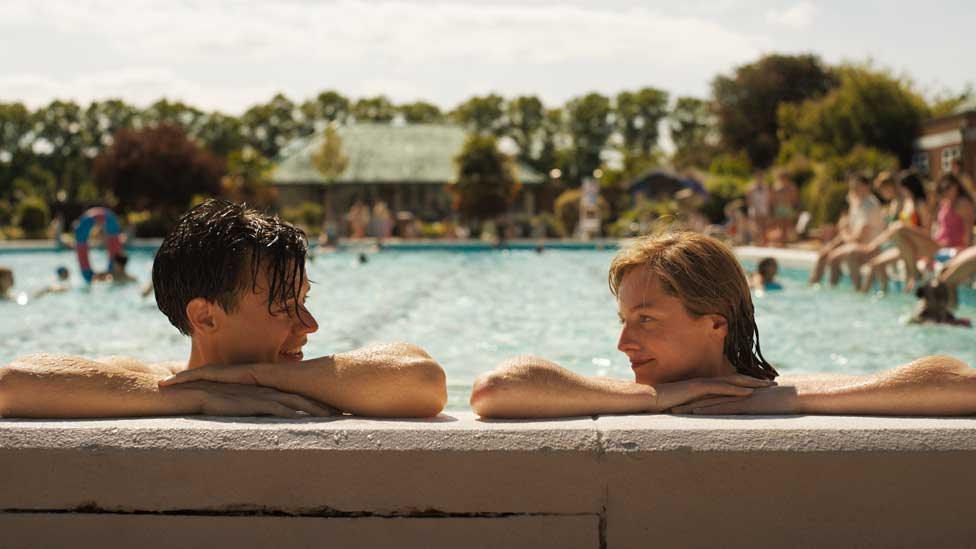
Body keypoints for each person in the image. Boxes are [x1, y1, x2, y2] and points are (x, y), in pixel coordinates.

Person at [0, 199, 447, 419]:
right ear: (205, 317)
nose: (310, 326)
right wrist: (195, 395)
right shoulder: (153, 378)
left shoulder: (308, 381)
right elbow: (14, 383)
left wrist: (258, 376)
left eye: (304, 301)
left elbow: (425, 380)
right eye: (283, 305)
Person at [469, 231, 974, 418]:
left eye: (645, 320)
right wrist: (664, 397)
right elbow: (494, 389)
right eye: (624, 320)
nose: (623, 342)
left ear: (714, 325)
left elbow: (960, 384)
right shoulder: (621, 394)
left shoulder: (774, 390)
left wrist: (783, 400)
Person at [889, 173, 975, 291]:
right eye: (942, 188)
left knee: (899, 228)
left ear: (957, 186)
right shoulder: (946, 203)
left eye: (948, 187)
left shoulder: (962, 203)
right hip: (939, 247)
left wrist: (962, 254)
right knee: (898, 233)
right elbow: (939, 228)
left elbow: (968, 233)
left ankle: (914, 275)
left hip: (950, 249)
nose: (946, 191)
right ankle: (913, 273)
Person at [858, 171, 930, 293]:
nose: (900, 189)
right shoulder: (906, 203)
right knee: (878, 264)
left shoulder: (917, 203)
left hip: (913, 245)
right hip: (903, 244)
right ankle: (884, 293)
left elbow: (926, 229)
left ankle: (883, 293)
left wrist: (877, 243)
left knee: (877, 263)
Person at [808, 173, 884, 288]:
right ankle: (813, 284)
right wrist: (832, 244)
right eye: (852, 187)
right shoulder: (856, 202)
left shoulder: (870, 205)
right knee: (824, 254)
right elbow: (846, 230)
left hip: (870, 248)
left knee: (836, 257)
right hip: (855, 244)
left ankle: (853, 289)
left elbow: (857, 237)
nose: (853, 190)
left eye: (856, 187)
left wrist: (843, 232)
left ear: (866, 187)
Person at [745, 172, 770, 245]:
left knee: (764, 225)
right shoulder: (750, 187)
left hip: (763, 208)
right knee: (755, 225)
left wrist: (768, 207)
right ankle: (757, 240)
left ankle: (764, 241)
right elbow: (748, 199)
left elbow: (768, 198)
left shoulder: (766, 186)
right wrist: (752, 207)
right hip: (754, 208)